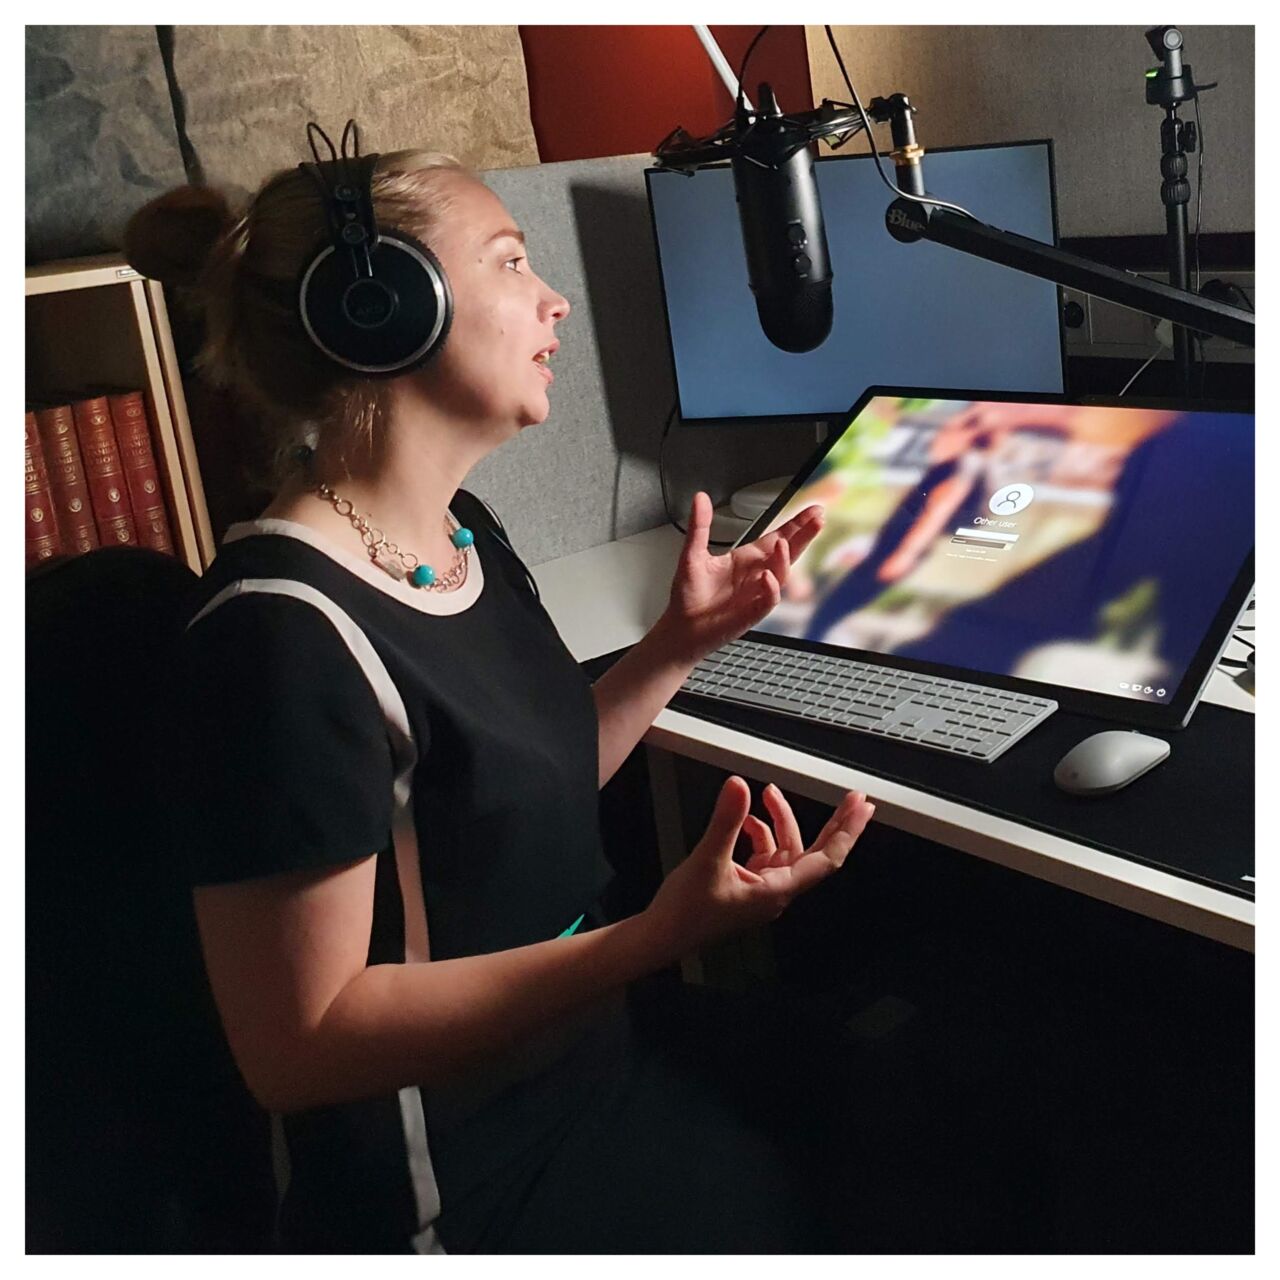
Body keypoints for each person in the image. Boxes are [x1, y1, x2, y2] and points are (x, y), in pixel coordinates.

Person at [125, 126, 879, 1254]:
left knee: (916, 1090)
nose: (555, 301)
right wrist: (653, 932)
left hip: (589, 1066)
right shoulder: (278, 640)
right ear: (387, 309)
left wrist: (678, 641)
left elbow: (514, 796)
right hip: (465, 1182)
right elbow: (298, 1045)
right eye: (511, 261)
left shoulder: (459, 535)